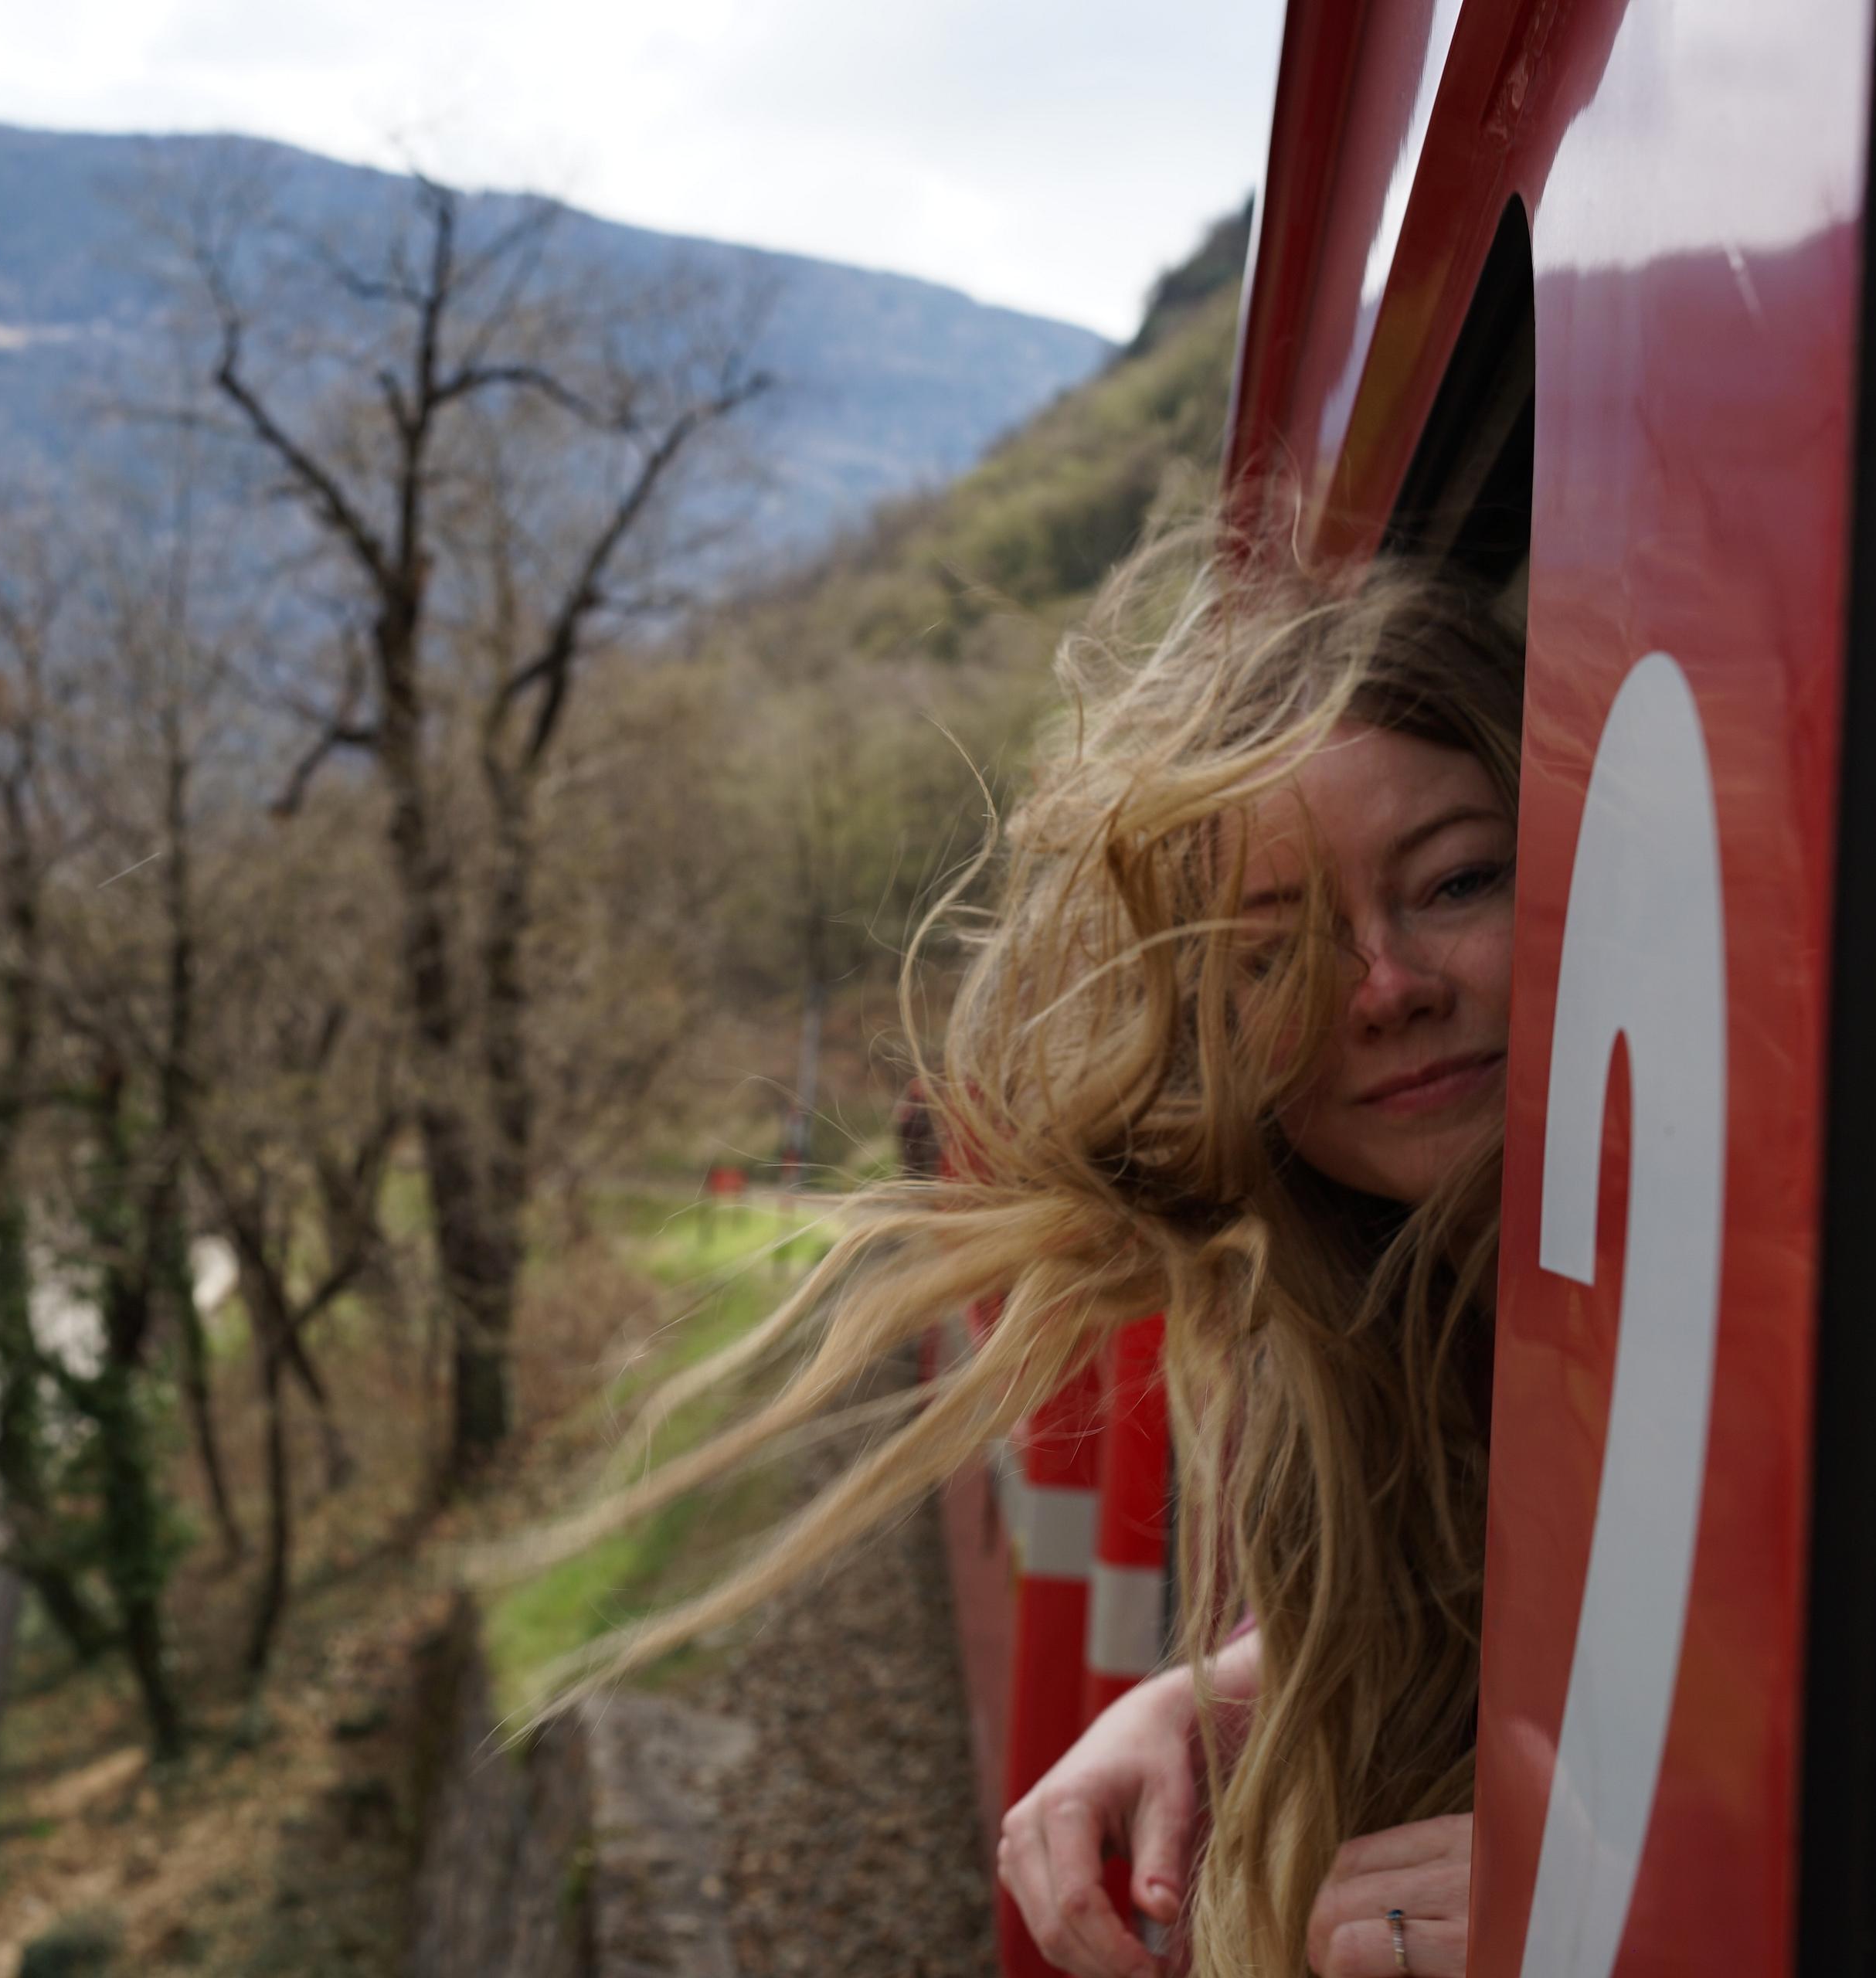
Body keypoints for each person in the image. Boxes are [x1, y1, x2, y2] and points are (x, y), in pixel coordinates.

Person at [531, 522, 1520, 1978]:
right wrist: (1218, 1695)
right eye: (1269, 953)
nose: (1380, 990)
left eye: (1456, 883)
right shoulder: (1355, 1334)